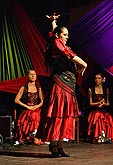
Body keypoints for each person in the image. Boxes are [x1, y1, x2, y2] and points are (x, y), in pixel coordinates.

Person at [37, 13, 87, 158]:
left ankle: (59, 146)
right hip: (60, 85)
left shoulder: (58, 42)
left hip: (68, 86)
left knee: (64, 115)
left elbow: (56, 35)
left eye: (67, 34)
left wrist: (54, 22)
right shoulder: (57, 45)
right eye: (65, 34)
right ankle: (53, 145)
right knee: (57, 114)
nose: (67, 37)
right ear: (59, 36)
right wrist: (83, 63)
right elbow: (67, 52)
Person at [14, 70, 44, 145]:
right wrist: (27, 107)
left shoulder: (38, 88)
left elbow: (42, 101)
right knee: (33, 115)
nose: (33, 76)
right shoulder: (24, 87)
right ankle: (34, 137)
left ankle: (37, 136)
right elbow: (16, 100)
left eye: (34, 74)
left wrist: (36, 106)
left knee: (36, 115)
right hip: (26, 110)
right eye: (31, 74)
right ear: (28, 76)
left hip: (36, 109)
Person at [87, 73, 113, 143]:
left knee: (109, 116)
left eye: (99, 78)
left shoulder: (106, 90)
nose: (97, 80)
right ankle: (98, 136)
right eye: (95, 78)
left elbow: (108, 103)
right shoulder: (91, 90)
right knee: (98, 115)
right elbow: (90, 103)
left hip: (103, 109)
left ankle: (106, 137)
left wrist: (103, 103)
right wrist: (98, 103)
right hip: (95, 110)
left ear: (102, 80)